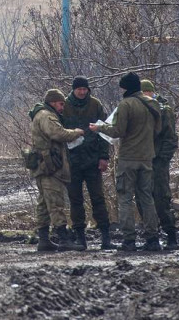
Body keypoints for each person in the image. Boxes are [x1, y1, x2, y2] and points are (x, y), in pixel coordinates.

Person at [89, 72, 163, 251]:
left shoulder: (126, 104)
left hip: (128, 158)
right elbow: (158, 130)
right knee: (147, 198)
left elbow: (117, 130)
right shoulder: (153, 104)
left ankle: (129, 239)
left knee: (125, 198)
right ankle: (152, 239)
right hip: (147, 157)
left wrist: (99, 128)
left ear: (127, 87)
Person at [30, 89, 86, 251]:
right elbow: (58, 133)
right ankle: (63, 238)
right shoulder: (47, 116)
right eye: (61, 104)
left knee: (43, 203)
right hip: (49, 167)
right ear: (53, 102)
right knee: (55, 202)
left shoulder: (40, 114)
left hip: (43, 166)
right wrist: (76, 132)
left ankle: (44, 239)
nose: (62, 107)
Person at [62, 76, 114, 250]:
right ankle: (80, 237)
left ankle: (105, 236)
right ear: (73, 89)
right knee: (75, 199)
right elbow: (59, 133)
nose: (82, 92)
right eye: (79, 89)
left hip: (92, 160)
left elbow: (103, 132)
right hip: (72, 161)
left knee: (98, 198)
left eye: (85, 89)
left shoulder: (95, 105)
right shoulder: (65, 106)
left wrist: (104, 157)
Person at [139, 79, 179, 250]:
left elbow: (171, 138)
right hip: (144, 159)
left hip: (158, 161)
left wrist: (162, 159)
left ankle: (171, 235)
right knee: (144, 198)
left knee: (162, 198)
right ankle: (151, 235)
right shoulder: (142, 109)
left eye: (146, 93)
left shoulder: (164, 110)